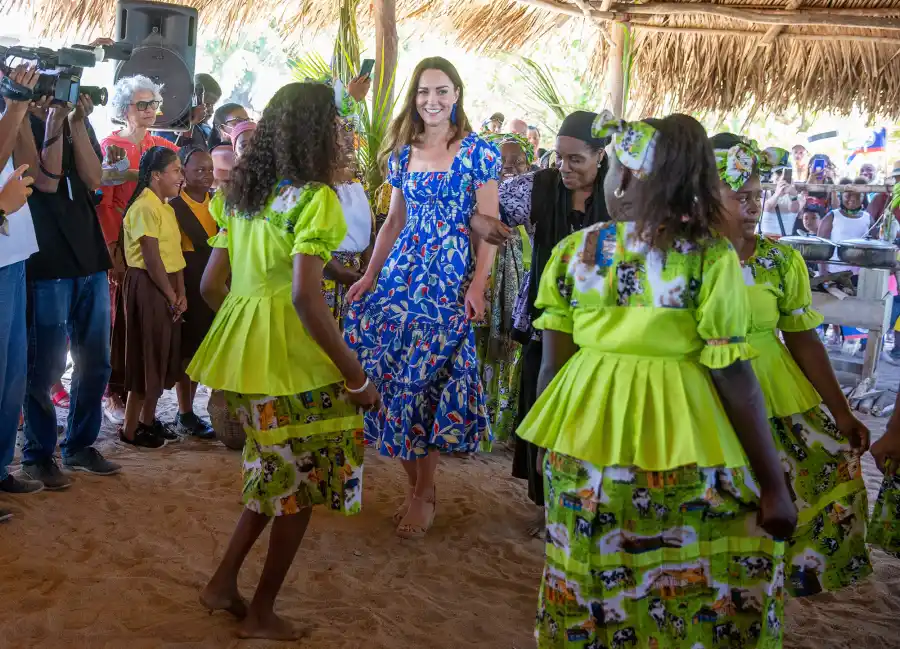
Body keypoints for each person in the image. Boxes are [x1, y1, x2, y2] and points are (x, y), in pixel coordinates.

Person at [519, 112, 797, 648]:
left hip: (581, 439)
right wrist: (772, 484)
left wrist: (542, 443)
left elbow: (553, 365)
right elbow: (734, 375)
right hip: (688, 441)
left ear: (623, 178)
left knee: (590, 575)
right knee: (694, 575)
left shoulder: (575, 253)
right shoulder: (709, 257)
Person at [187, 82, 378, 641]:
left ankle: (223, 584)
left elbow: (211, 286)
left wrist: (249, 324)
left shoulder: (244, 195)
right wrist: (356, 377)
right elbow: (302, 298)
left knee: (274, 476)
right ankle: (262, 612)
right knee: (300, 486)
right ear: (316, 135)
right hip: (294, 361)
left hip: (247, 359)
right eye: (337, 128)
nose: (344, 137)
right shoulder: (314, 199)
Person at [343, 57, 501, 539]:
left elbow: (489, 229)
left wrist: (477, 285)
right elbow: (393, 222)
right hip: (400, 278)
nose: (432, 100)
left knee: (425, 383)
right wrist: (370, 274)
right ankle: (416, 486)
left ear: (457, 94)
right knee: (388, 378)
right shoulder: (402, 152)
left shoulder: (478, 153)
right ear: (414, 97)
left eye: (442, 91)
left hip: (447, 282)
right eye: (424, 91)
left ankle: (424, 492)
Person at [713, 133, 872, 596]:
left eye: (757, 196)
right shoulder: (678, 262)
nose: (753, 207)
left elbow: (803, 340)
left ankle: (779, 588)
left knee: (825, 475)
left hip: (775, 394)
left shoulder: (780, 261)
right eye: (740, 197)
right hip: (707, 398)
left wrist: (842, 412)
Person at [472, 110, 611, 536]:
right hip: (545, 318)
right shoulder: (540, 186)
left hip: (605, 326)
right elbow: (481, 207)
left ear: (601, 155)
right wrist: (483, 223)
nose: (564, 167)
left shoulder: (620, 190)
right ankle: (549, 506)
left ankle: (596, 506)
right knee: (544, 403)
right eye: (560, 157)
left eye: (576, 160)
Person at [17, 90, 121, 490]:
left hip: (89, 255)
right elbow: (46, 180)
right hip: (46, 259)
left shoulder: (77, 120)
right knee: (45, 366)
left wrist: (76, 121)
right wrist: (54, 121)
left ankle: (79, 445)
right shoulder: (19, 120)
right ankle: (38, 455)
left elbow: (94, 179)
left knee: (96, 362)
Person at [98, 75, 179, 426]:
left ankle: (139, 397)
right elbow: (105, 201)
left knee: (141, 323)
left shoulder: (161, 143)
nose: (149, 110)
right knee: (115, 321)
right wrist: (113, 250)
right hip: (120, 239)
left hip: (152, 243)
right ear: (124, 108)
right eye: (141, 104)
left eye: (153, 104)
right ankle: (113, 392)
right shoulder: (111, 144)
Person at [119, 146, 186, 448]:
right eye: (176, 171)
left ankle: (148, 421)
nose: (181, 177)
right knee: (146, 355)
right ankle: (130, 429)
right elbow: (152, 258)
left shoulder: (166, 208)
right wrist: (171, 294)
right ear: (156, 175)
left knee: (160, 354)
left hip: (165, 286)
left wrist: (181, 292)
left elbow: (175, 255)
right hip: (148, 286)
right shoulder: (145, 206)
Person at [0, 65, 43, 507]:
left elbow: (38, 170)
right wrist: (14, 106)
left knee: (12, 378)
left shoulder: (8, 106)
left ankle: (0, 469)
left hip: (13, 254)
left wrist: (22, 110)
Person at [477, 132, 533, 441]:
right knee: (479, 349)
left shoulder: (533, 208)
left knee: (508, 353)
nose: (509, 167)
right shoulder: (478, 204)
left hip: (514, 291)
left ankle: (501, 426)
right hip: (482, 287)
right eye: (502, 161)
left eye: (517, 161)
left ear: (529, 166)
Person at [167, 146, 217, 439]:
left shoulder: (219, 203)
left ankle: (219, 410)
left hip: (219, 280)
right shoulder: (174, 207)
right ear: (183, 172)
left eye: (209, 169)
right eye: (199, 170)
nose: (206, 175)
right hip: (189, 279)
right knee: (190, 348)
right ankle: (185, 411)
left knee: (214, 344)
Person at [323, 119, 374, 327]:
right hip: (326, 276)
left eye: (349, 129)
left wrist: (368, 267)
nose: (348, 137)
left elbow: (369, 228)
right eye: (339, 131)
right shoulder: (313, 181)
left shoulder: (358, 177)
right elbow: (299, 236)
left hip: (357, 275)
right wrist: (336, 269)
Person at [818, 177, 873, 276]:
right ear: (842, 195)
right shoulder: (832, 216)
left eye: (857, 196)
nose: (852, 199)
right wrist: (823, 275)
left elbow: (876, 242)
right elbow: (820, 246)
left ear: (863, 197)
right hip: (834, 273)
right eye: (848, 195)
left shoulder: (868, 218)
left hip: (860, 275)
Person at [156, 73, 222, 150]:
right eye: (207, 104)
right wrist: (191, 123)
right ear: (193, 100)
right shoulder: (168, 124)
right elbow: (171, 153)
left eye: (213, 105)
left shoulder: (206, 128)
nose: (212, 111)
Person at [760, 168, 802, 237]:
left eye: (785, 175)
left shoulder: (797, 195)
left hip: (784, 238)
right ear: (772, 177)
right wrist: (777, 194)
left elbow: (795, 210)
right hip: (764, 237)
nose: (781, 179)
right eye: (778, 174)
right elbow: (766, 207)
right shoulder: (765, 192)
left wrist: (793, 196)